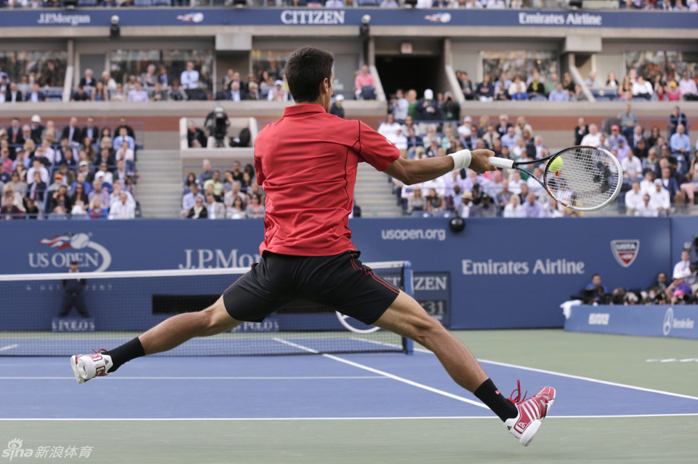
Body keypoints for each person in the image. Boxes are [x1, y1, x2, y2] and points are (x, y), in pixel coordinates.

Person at [70, 47, 555, 446]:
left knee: (206, 320)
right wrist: (466, 157)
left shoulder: (265, 139)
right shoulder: (349, 131)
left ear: (288, 87)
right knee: (427, 328)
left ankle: (107, 359)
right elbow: (407, 173)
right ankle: (514, 415)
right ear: (326, 86)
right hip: (331, 265)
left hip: (277, 266)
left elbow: (270, 184)